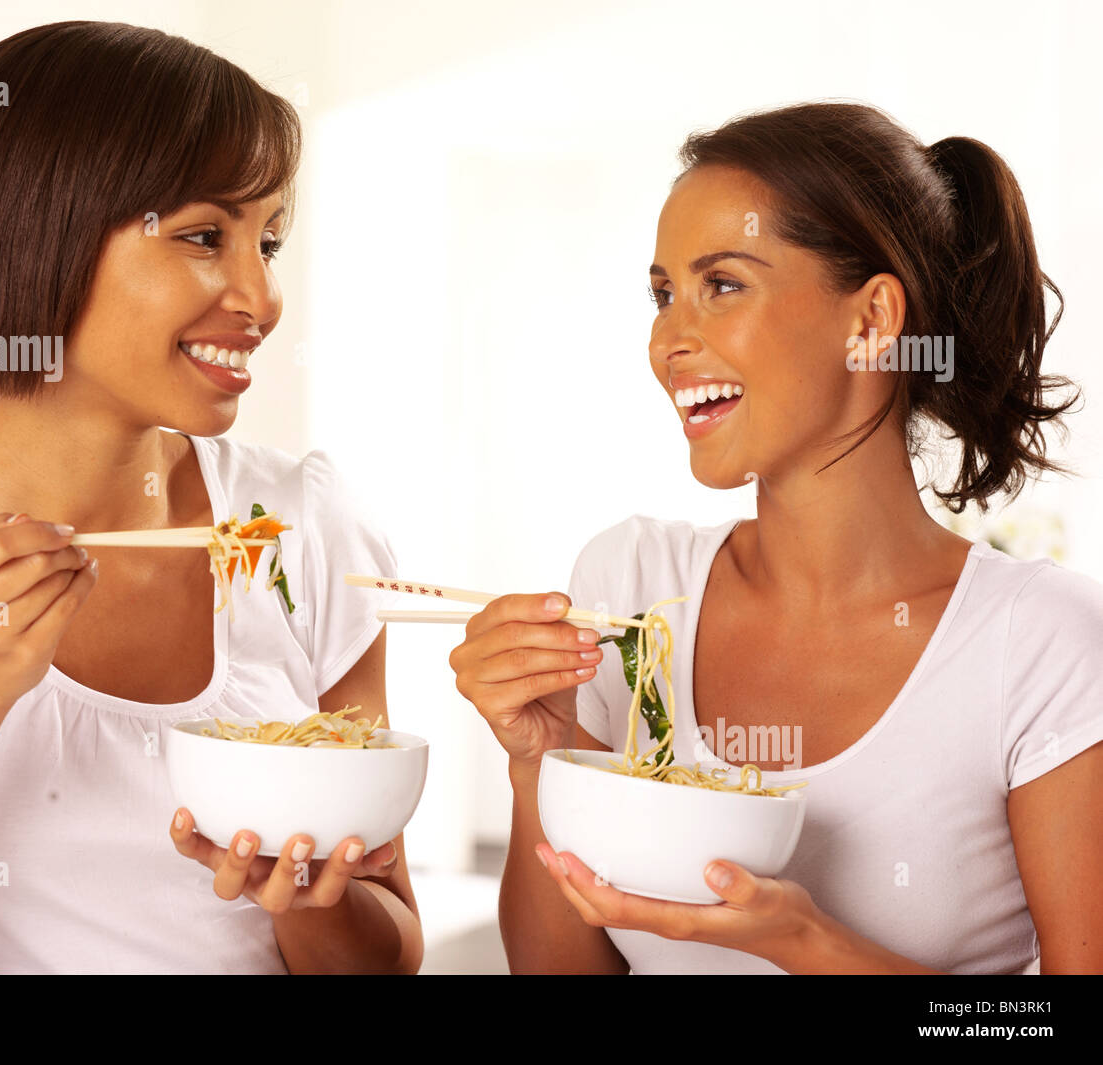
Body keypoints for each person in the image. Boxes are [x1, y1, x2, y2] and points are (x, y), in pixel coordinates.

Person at [0, 21, 421, 975]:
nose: (261, 297)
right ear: (34, 230)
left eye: (270, 240)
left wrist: (302, 895)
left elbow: (383, 957)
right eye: (207, 237)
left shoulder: (299, 526)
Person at [450, 101, 1103, 974]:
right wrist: (542, 761)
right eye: (662, 294)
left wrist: (807, 942)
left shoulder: (1039, 642)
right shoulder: (634, 586)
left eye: (722, 285)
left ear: (871, 322)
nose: (668, 340)